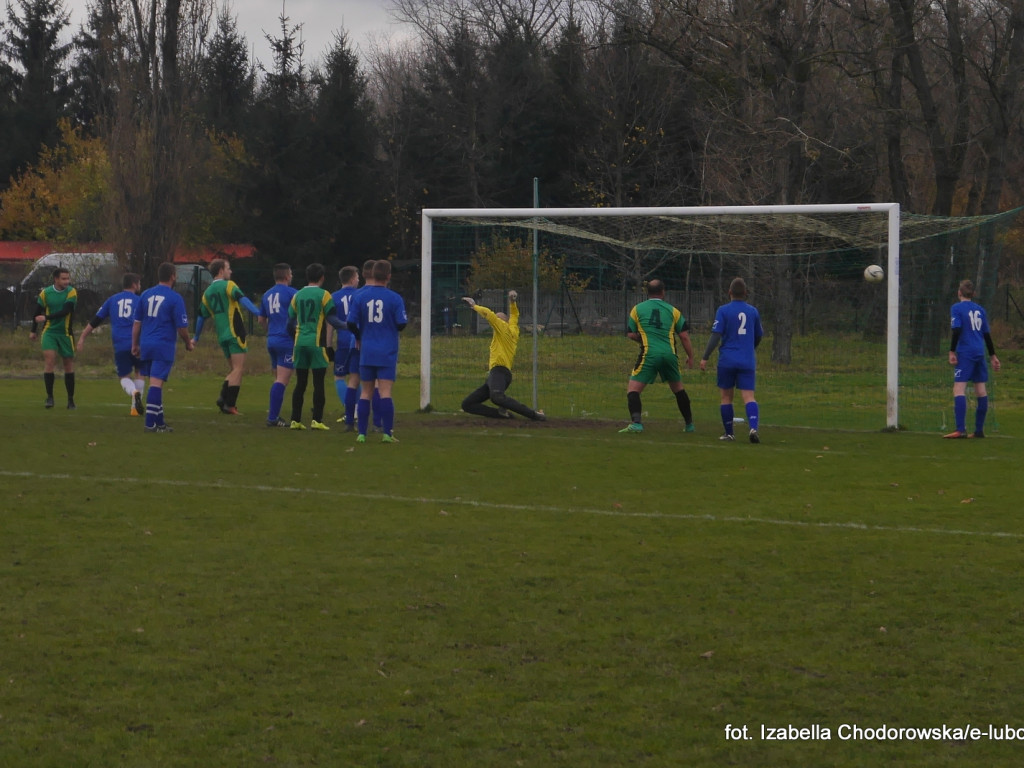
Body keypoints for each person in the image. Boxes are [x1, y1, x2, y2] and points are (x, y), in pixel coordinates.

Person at [618, 279, 694, 433]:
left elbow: (631, 334)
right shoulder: (674, 311)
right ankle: (689, 425)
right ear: (663, 292)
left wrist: (643, 337)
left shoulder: (637, 309)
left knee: (633, 389)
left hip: (650, 354)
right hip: (669, 354)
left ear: (647, 292)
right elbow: (684, 336)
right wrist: (690, 356)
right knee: (678, 389)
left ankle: (637, 424)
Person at [461, 289, 546, 422]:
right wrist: (512, 301)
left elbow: (489, 315)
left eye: (499, 318)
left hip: (500, 372)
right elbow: (514, 315)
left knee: (497, 397)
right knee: (467, 404)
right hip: (497, 374)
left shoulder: (502, 327)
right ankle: (500, 414)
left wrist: (474, 305)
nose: (496, 321)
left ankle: (534, 415)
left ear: (503, 322)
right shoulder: (513, 328)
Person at [346, 260, 407, 443]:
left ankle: (362, 434)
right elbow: (402, 323)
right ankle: (387, 433)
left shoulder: (360, 297)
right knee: (385, 391)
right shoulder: (395, 298)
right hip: (387, 350)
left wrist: (359, 336)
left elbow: (350, 322)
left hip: (367, 350)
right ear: (388, 276)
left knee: (366, 391)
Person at [192, 258, 263, 415]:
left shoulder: (207, 293)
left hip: (222, 335)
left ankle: (226, 402)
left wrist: (196, 337)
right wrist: (259, 313)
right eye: (228, 268)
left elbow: (200, 316)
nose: (230, 271)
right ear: (221, 271)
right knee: (238, 369)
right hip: (235, 332)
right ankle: (227, 402)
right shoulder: (229, 285)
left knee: (234, 369)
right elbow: (242, 299)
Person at [131, 262, 194, 432]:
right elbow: (182, 327)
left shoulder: (145, 295)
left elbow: (137, 323)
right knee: (156, 384)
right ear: (173, 276)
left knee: (155, 382)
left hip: (146, 344)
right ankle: (150, 424)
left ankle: (160, 422)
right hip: (163, 344)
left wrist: (135, 344)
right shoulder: (174, 298)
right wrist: (188, 342)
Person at [700, 277, 764, 443]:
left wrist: (705, 357)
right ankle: (753, 427)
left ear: (729, 293)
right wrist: (750, 348)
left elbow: (716, 335)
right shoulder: (753, 311)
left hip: (727, 359)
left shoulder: (723, 310)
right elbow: (759, 335)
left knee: (726, 397)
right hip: (747, 359)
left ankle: (729, 433)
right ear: (745, 293)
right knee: (749, 396)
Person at [287, 263, 345, 430]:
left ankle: (295, 420)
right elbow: (332, 319)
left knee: (301, 382)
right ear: (322, 278)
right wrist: (347, 326)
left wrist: (296, 338)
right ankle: (317, 420)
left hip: (300, 344)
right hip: (316, 344)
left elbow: (289, 323)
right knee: (318, 382)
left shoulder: (297, 296)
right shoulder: (324, 295)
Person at [77, 273, 145, 416]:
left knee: (124, 376)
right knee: (140, 372)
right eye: (138, 283)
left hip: (120, 343)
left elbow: (96, 320)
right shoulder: (140, 300)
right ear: (134, 284)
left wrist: (82, 337)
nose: (140, 285)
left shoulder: (112, 300)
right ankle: (135, 408)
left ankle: (133, 393)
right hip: (138, 343)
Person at [944, 279, 1001, 438]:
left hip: (966, 352)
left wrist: (951, 351)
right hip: (979, 352)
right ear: (973, 294)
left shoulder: (956, 308)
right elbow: (987, 335)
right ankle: (978, 431)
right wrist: (993, 356)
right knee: (981, 390)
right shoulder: (980, 309)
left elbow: (956, 330)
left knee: (958, 389)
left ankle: (961, 429)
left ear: (959, 293)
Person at [29, 267, 78, 409]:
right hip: (49, 331)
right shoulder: (45, 293)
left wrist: (46, 317)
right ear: (56, 279)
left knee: (68, 365)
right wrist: (33, 331)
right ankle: (50, 397)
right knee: (50, 361)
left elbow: (66, 311)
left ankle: (70, 400)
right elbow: (37, 313)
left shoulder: (71, 292)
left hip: (65, 333)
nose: (66, 281)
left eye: (68, 278)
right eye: (63, 279)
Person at [259, 263, 298, 427]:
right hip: (286, 340)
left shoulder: (267, 294)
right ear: (287, 276)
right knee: (282, 379)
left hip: (272, 339)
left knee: (278, 378)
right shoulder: (292, 293)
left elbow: (261, 320)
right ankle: (273, 417)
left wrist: (271, 330)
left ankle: (274, 413)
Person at [329, 265, 361, 430]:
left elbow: (330, 323)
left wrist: (328, 345)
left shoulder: (333, 297)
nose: (358, 279)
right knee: (358, 377)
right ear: (351, 279)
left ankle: (349, 410)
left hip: (342, 341)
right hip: (359, 340)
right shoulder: (361, 294)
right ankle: (357, 410)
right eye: (357, 277)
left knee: (339, 377)